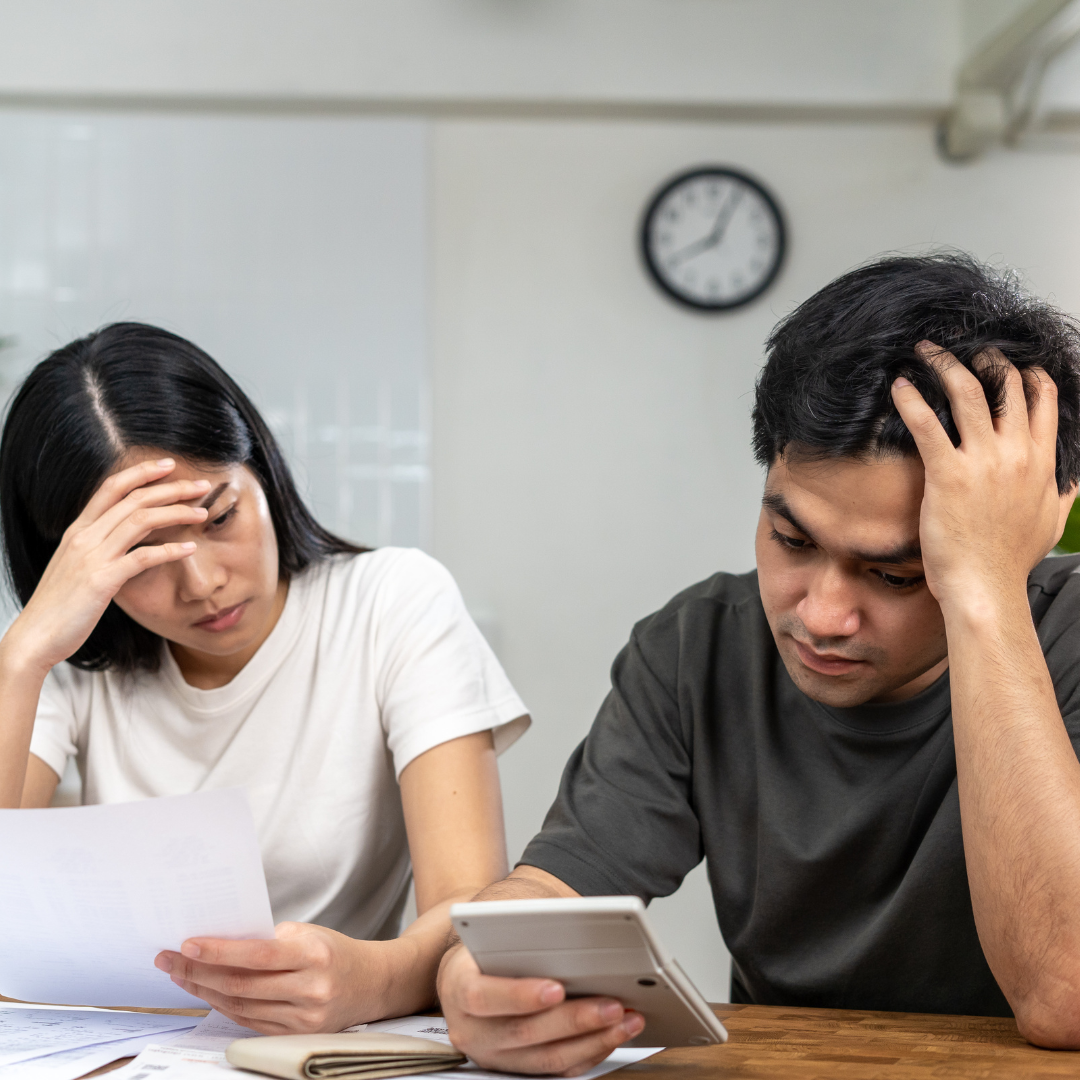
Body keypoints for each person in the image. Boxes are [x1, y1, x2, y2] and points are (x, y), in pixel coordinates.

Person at [437, 253, 1080, 1074]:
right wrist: (473, 978)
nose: (820, 616)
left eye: (896, 575)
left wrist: (985, 594)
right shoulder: (697, 648)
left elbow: (1067, 996)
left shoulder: (1065, 636)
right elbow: (549, 894)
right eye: (791, 539)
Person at [0, 323, 529, 1034]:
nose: (202, 583)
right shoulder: (70, 662)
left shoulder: (392, 603)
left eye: (219, 517)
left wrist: (374, 981)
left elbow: (468, 909)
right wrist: (23, 656)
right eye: (142, 555)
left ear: (263, 472)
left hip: (327, 1050)